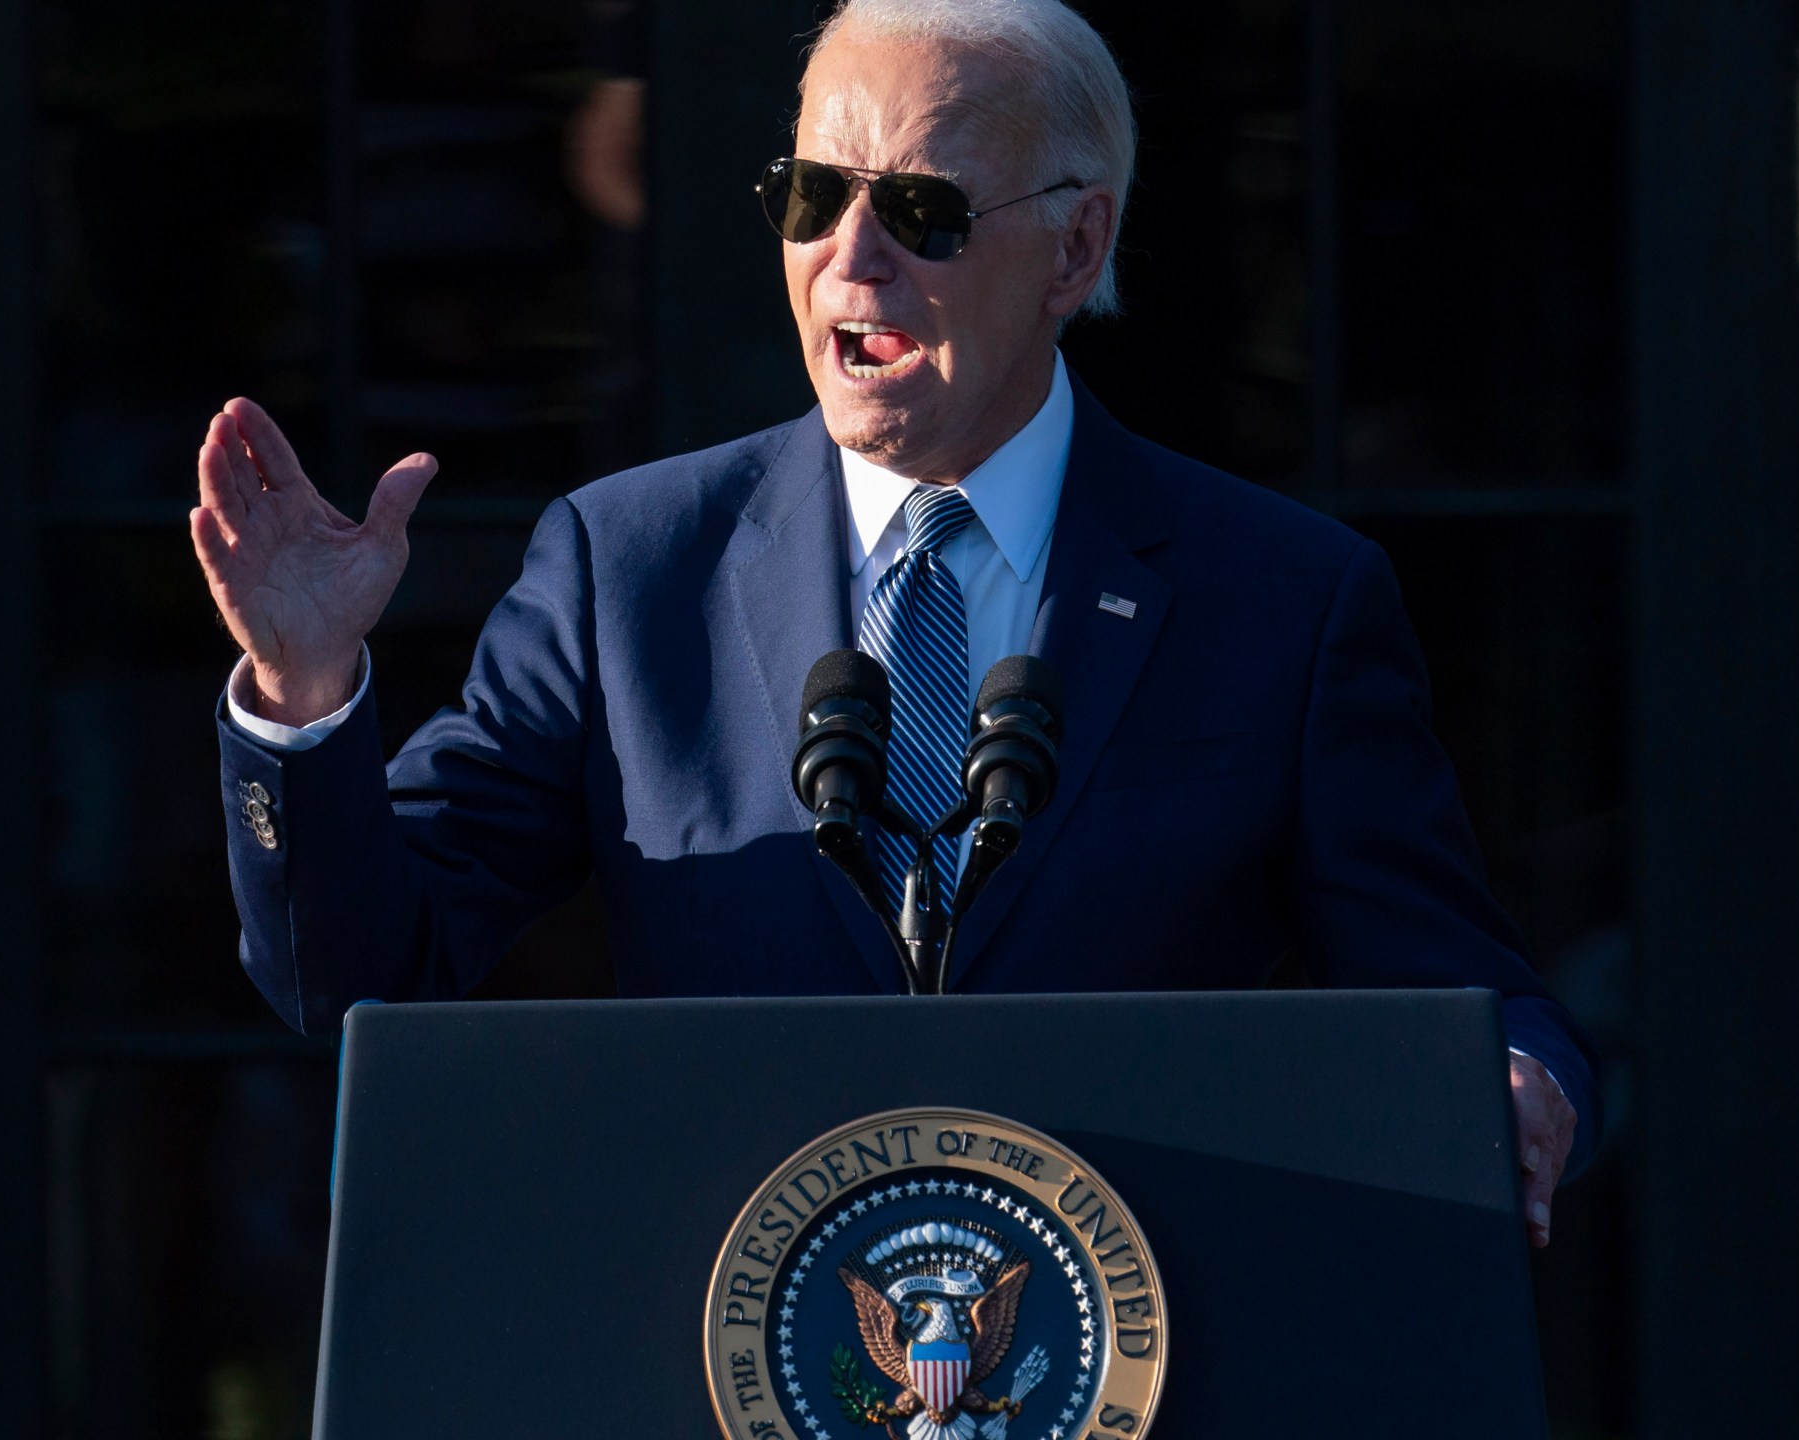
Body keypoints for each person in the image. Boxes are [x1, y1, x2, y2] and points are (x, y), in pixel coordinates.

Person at [189, 0, 1595, 1245]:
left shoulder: (1279, 594)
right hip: (732, 1356)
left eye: (921, 209)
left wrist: (1518, 1077)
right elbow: (357, 968)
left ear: (1073, 245)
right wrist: (303, 694)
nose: (850, 262)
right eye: (812, 196)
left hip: (1138, 1353)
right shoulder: (633, 565)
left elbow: (1458, 992)